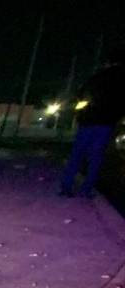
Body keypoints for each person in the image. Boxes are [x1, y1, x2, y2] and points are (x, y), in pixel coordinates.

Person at [60, 48, 125, 197]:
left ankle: (66, 186)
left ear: (109, 62)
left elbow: (81, 95)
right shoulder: (122, 79)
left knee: (77, 153)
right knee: (96, 156)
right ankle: (86, 189)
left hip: (88, 120)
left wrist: (80, 113)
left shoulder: (97, 77)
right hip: (107, 122)